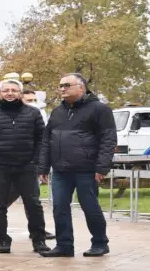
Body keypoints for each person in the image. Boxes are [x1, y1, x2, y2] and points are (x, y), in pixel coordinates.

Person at [39, 73, 117, 258]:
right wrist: (43, 166)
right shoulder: (57, 112)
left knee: (90, 206)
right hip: (60, 170)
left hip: (86, 169)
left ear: (81, 87)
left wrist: (102, 167)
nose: (62, 89)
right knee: (59, 207)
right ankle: (64, 245)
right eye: (60, 86)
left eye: (67, 85)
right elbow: (47, 140)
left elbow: (108, 139)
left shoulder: (100, 109)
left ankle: (100, 243)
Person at [0, 79, 48, 254]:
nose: (10, 93)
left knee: (33, 204)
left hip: (27, 166)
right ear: (0, 93)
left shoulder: (33, 113)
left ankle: (39, 240)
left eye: (14, 90)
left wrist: (39, 163)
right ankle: (3, 240)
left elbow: (42, 141)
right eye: (6, 90)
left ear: (20, 93)